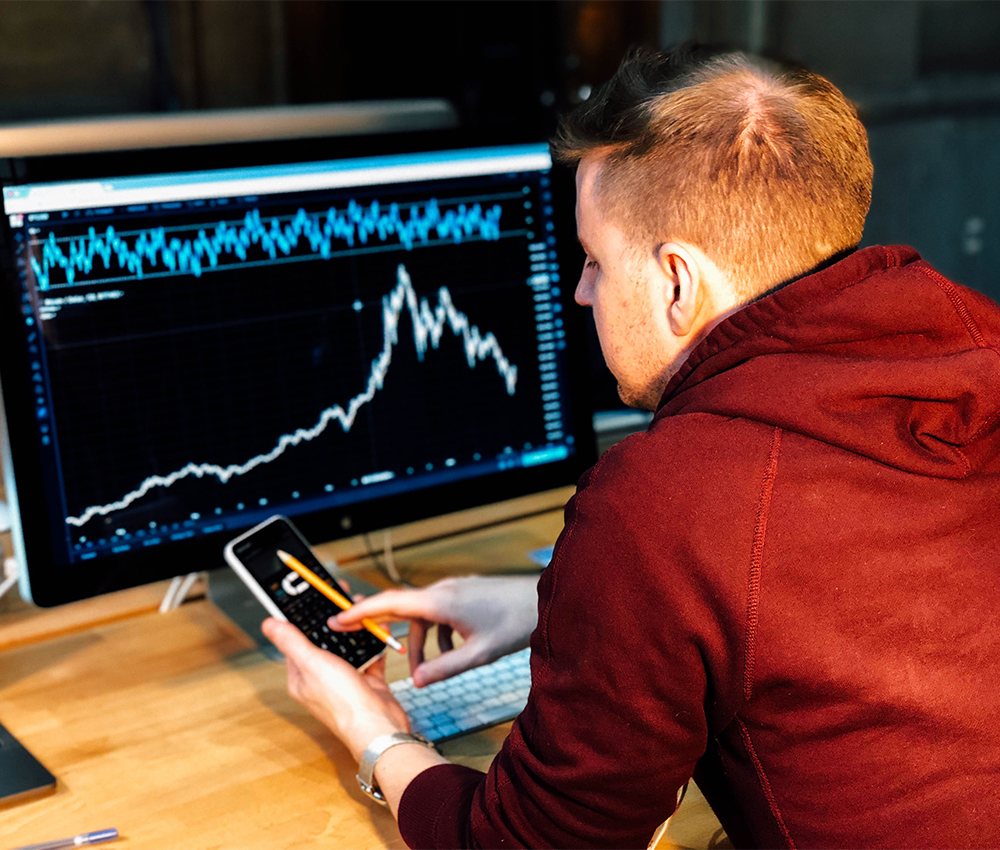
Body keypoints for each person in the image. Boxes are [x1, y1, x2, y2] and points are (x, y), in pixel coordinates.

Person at [262, 47, 1000, 848]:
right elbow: (841, 589)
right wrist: (555, 606)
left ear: (678, 282)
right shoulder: (970, 356)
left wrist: (374, 733)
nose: (581, 292)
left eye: (595, 261)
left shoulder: (669, 499)